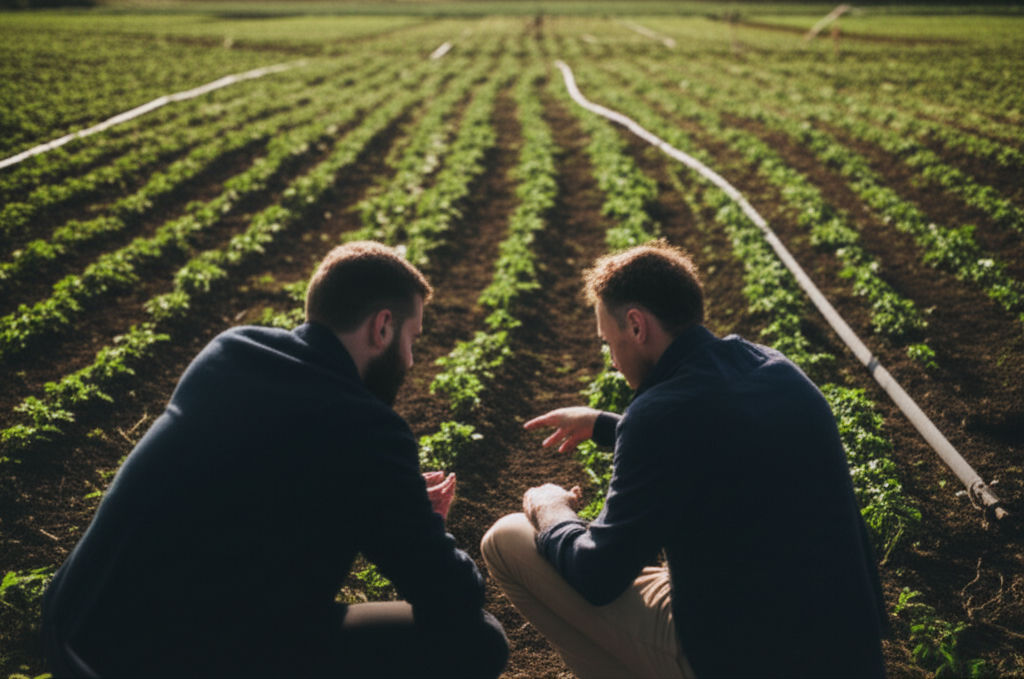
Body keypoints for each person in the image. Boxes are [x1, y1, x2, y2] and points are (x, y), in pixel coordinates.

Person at [42, 241, 508, 678]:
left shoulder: (230, 352)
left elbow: (263, 491)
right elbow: (449, 595)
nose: (410, 359)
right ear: (381, 326)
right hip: (167, 663)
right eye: (412, 338)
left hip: (74, 632)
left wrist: (387, 501)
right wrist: (418, 518)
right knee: (476, 639)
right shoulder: (368, 429)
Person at [481, 240, 888, 679]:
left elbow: (597, 575)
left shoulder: (659, 414)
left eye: (607, 343)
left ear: (636, 326)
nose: (612, 360)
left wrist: (552, 510)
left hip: (743, 658)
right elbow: (711, 441)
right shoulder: (777, 369)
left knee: (506, 539)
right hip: (849, 651)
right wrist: (603, 424)